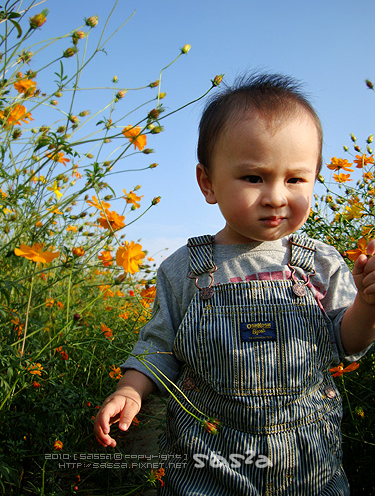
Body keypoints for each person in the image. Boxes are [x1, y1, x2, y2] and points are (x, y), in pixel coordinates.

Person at [94, 73, 375, 495]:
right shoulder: (185, 268)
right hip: (207, 463)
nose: (276, 196)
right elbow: (159, 346)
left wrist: (369, 306)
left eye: (295, 179)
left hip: (308, 467)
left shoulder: (320, 262)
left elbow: (346, 342)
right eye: (254, 178)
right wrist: (130, 389)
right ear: (208, 182)